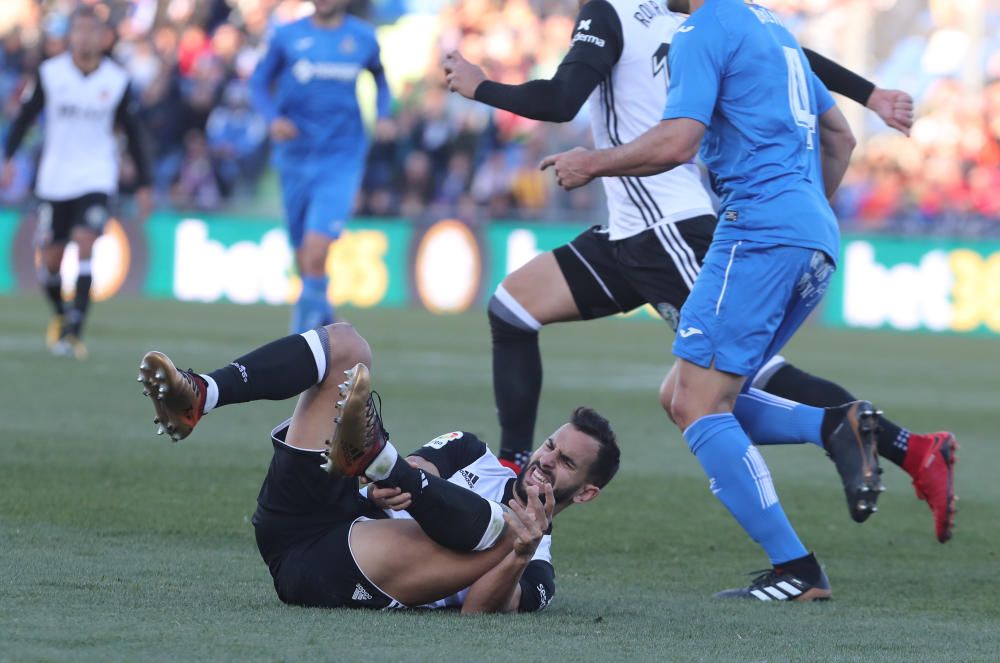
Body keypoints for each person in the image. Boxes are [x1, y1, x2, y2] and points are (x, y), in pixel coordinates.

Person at [443, 0, 955, 545]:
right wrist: (870, 95)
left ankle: (905, 448)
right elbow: (789, 55)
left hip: (665, 227)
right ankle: (512, 467)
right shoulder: (699, 18)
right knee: (514, 306)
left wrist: (481, 88)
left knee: (734, 379)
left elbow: (561, 98)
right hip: (628, 228)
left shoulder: (611, 12)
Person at [539, 0, 903, 601]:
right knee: (680, 394)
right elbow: (839, 136)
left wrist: (593, 163)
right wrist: (803, 219)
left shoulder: (700, 30)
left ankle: (798, 569)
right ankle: (835, 423)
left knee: (699, 405)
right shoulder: (776, 32)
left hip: (757, 231)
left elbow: (678, 142)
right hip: (811, 234)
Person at [136, 322, 620, 612]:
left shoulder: (538, 571)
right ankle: (202, 394)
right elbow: (421, 466)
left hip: (333, 570)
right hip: (314, 510)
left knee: (505, 533)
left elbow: (479, 612)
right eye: (551, 446)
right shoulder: (472, 451)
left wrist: (520, 551)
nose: (546, 461)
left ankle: (381, 459)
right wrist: (385, 485)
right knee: (348, 346)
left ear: (586, 492)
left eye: (566, 462)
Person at [1, 5, 152, 359]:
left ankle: (74, 331)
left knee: (86, 242)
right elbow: (24, 117)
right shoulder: (50, 73)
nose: (84, 37)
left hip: (97, 175)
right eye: (78, 30)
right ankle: (60, 314)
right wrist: (7, 158)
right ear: (70, 35)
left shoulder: (116, 80)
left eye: (90, 31)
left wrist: (144, 183)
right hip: (55, 178)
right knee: (51, 261)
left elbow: (133, 132)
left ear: (103, 37)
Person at [250, 0, 392, 334]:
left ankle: (298, 347)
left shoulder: (363, 38)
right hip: (294, 156)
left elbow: (381, 80)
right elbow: (258, 83)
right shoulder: (286, 36)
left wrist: (383, 116)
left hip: (341, 159)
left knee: (316, 253)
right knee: (304, 257)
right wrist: (273, 120)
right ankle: (330, 324)